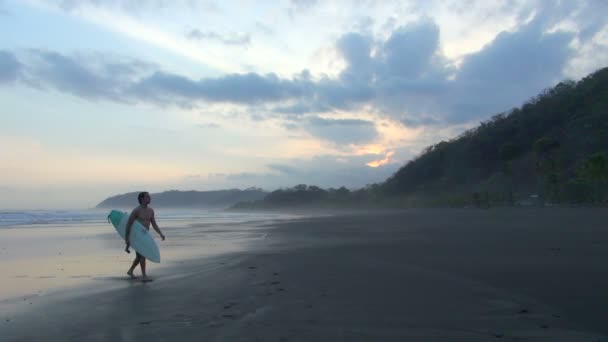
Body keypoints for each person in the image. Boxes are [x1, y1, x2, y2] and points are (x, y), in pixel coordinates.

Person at [125, 191, 165, 279]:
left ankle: (130, 271)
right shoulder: (136, 211)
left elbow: (154, 224)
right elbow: (128, 224)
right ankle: (144, 276)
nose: (149, 198)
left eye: (149, 196)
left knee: (139, 256)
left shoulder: (151, 211)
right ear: (141, 199)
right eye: (147, 197)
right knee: (143, 254)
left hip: (145, 236)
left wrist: (160, 233)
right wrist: (127, 239)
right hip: (137, 236)